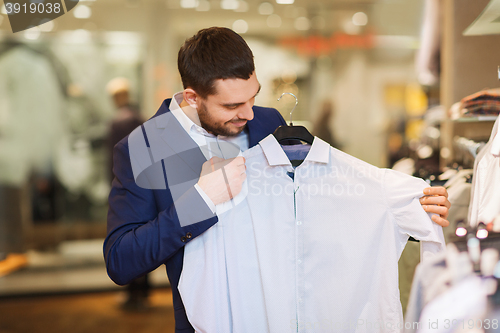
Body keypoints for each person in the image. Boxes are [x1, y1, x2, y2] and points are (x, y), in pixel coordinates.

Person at [104, 27, 451, 332]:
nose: (249, 113)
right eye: (233, 105)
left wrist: (406, 210)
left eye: (254, 96)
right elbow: (121, 260)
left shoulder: (268, 121)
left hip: (297, 312)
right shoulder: (142, 149)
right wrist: (200, 202)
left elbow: (318, 201)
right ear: (193, 97)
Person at [106, 77, 150, 311]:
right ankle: (142, 293)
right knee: (141, 238)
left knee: (128, 239)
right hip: (146, 184)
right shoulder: (140, 117)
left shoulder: (119, 121)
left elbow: (114, 160)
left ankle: (136, 295)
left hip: (127, 188)